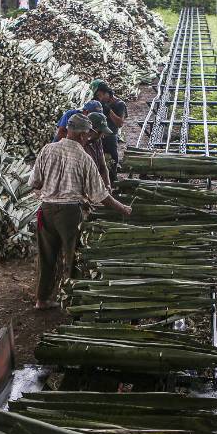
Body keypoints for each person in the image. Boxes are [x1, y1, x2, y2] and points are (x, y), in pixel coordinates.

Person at [29, 114, 132, 310]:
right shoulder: (83, 158)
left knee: (46, 256)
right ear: (84, 134)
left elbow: (35, 182)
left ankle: (41, 299)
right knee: (72, 256)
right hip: (69, 214)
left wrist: (52, 186)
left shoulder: (47, 150)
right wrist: (123, 209)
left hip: (46, 210)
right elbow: (100, 196)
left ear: (68, 130)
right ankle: (71, 299)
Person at [91, 80, 127, 175]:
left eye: (101, 95)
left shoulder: (120, 104)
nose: (100, 98)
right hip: (99, 136)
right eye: (98, 96)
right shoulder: (99, 103)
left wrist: (109, 111)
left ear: (107, 92)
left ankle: (112, 179)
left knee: (112, 161)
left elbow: (120, 123)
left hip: (111, 137)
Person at [85, 111, 113, 188]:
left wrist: (107, 185)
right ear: (90, 129)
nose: (102, 136)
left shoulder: (97, 141)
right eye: (100, 132)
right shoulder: (80, 145)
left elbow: (103, 166)